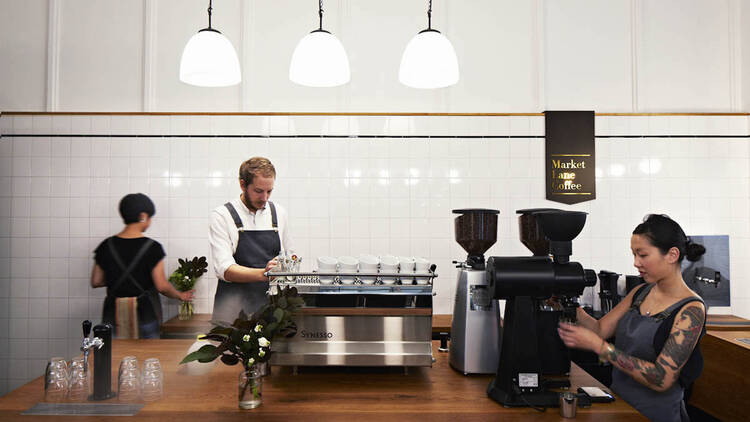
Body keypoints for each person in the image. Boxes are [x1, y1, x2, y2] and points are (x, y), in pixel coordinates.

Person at [558, 214, 707, 422]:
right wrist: (567, 303)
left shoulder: (691, 310)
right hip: (619, 406)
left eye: (643, 255)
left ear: (672, 255)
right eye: (634, 254)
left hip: (655, 415)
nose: (636, 263)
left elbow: (661, 378)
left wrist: (602, 348)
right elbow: (600, 330)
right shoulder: (641, 292)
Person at [91, 193, 194, 338]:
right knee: (146, 356)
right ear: (143, 216)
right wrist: (180, 295)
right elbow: (162, 286)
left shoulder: (106, 246)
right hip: (144, 315)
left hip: (112, 315)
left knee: (113, 357)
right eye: (150, 217)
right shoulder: (153, 247)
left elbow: (96, 281)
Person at [209, 157, 291, 323]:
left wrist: (285, 265)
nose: (265, 198)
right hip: (231, 312)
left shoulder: (279, 213)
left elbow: (289, 254)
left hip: (270, 310)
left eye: (269, 191)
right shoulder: (222, 216)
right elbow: (224, 269)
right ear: (242, 185)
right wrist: (264, 273)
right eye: (259, 191)